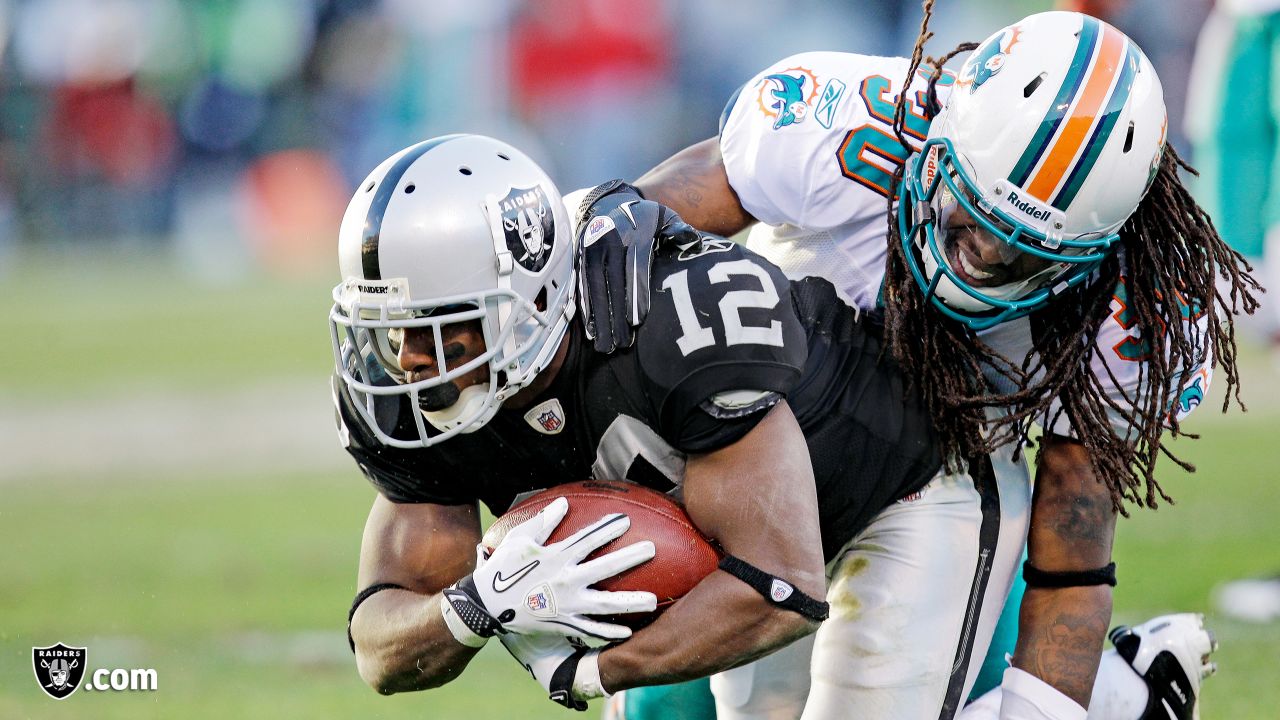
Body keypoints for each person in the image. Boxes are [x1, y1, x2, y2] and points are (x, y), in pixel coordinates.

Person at [574, 8, 1256, 720]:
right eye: (974, 214)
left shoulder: (1124, 316)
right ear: (941, 142)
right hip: (751, 420)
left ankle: (1121, 697)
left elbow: (1074, 554)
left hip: (945, 469)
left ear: (1090, 253)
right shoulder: (837, 133)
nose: (985, 255)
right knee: (668, 704)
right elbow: (633, 243)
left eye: (1024, 249)